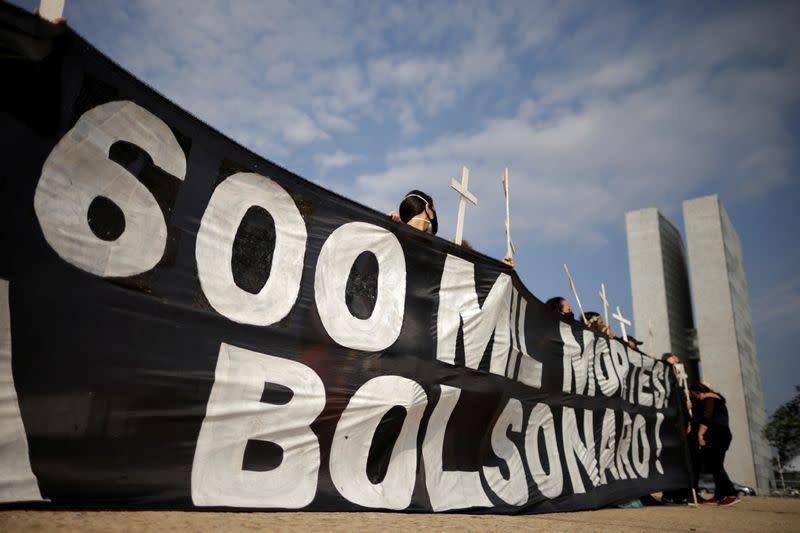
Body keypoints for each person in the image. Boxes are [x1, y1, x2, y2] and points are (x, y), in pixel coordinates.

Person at [689, 382, 740, 506]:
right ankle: (719, 496)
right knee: (716, 465)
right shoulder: (718, 399)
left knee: (715, 466)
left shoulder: (709, 398)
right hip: (723, 435)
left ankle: (731, 493)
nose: (696, 398)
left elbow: (707, 417)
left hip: (715, 436)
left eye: (694, 395)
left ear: (697, 392)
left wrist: (700, 434)